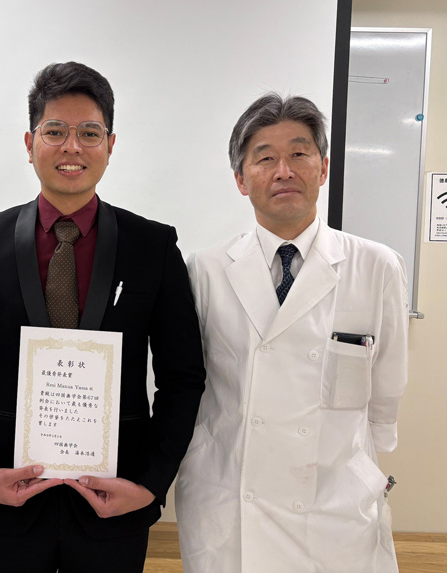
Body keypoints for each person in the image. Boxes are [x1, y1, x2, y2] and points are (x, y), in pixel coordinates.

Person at [0, 61, 206, 572]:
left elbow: (182, 377)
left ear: (111, 145)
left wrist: (149, 484)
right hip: (6, 494)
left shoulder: (153, 246)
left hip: (114, 497)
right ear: (30, 142)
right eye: (55, 131)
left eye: (89, 133)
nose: (72, 147)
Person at [175, 93, 409, 572]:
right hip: (232, 494)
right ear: (241, 180)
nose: (284, 171)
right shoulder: (206, 268)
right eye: (265, 158)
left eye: (299, 153)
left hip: (333, 503)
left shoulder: (375, 265)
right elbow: (188, 384)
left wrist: (368, 462)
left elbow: (387, 384)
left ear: (323, 168)